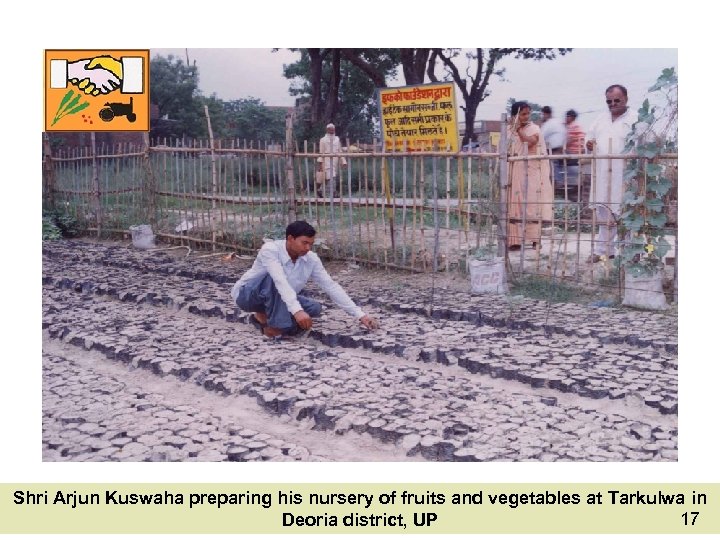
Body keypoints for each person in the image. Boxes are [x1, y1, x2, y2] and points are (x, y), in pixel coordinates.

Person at [231, 220, 378, 339]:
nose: (308, 248)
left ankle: (261, 318)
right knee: (274, 280)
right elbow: (279, 281)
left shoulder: (311, 259)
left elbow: (330, 286)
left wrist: (361, 315)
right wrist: (297, 311)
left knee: (314, 308)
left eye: (311, 244)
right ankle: (275, 328)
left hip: (280, 297)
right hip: (247, 295)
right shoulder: (270, 250)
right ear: (290, 239)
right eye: (304, 243)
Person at [586, 84, 638, 262]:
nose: (613, 104)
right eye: (609, 101)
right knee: (604, 214)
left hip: (625, 175)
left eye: (617, 100)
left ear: (626, 99)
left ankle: (630, 253)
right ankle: (603, 250)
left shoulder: (636, 119)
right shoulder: (600, 119)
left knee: (628, 214)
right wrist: (589, 144)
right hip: (602, 173)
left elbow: (645, 143)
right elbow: (589, 137)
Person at [506, 101, 553, 250]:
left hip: (531, 171)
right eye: (523, 114)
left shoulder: (534, 128)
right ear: (515, 115)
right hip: (514, 171)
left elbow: (531, 142)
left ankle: (534, 239)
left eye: (528, 113)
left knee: (531, 204)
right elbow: (504, 147)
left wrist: (519, 129)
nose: (526, 116)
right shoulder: (508, 130)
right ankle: (515, 240)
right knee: (514, 204)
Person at [559, 109, 586, 199]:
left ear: (571, 117)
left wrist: (562, 147)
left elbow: (569, 140)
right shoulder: (578, 126)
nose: (566, 119)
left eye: (567, 117)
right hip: (579, 150)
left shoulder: (572, 126)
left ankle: (558, 181)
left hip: (573, 151)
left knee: (554, 160)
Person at [316, 123, 347, 197]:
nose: (332, 130)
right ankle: (334, 193)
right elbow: (321, 152)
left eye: (333, 129)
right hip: (326, 160)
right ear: (327, 130)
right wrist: (320, 163)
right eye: (331, 129)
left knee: (329, 178)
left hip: (335, 161)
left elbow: (340, 151)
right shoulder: (323, 140)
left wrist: (344, 161)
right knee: (332, 176)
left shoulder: (337, 139)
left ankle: (320, 190)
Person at [540, 106, 566, 183]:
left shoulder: (548, 123)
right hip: (561, 147)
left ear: (545, 114)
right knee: (554, 165)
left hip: (554, 149)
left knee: (551, 164)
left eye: (543, 114)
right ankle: (557, 182)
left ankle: (557, 182)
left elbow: (541, 136)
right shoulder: (558, 121)